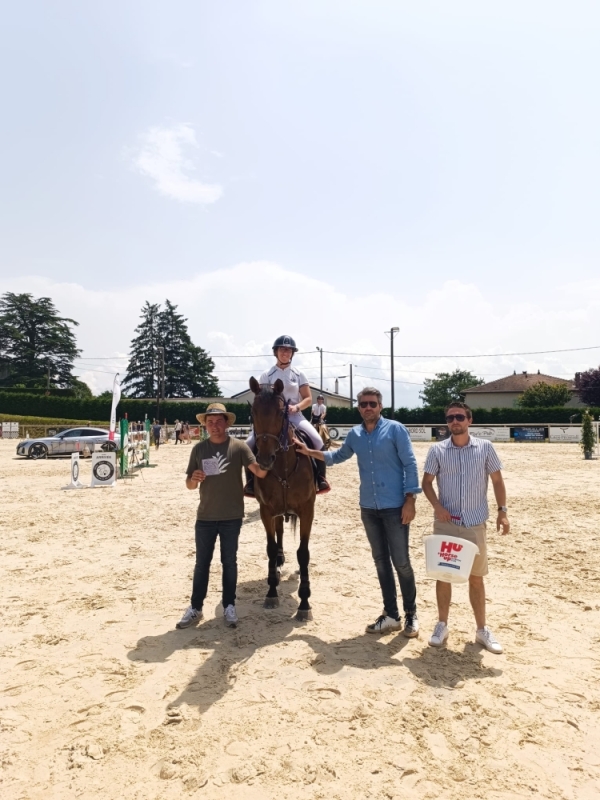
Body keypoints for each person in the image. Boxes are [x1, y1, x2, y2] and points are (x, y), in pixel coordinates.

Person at [294, 386, 421, 636]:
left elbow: (410, 463)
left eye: (372, 403)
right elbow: (337, 456)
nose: (368, 408)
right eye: (363, 404)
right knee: (381, 563)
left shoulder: (395, 429)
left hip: (395, 506)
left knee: (402, 563)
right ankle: (391, 614)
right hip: (369, 508)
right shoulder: (355, 434)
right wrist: (309, 452)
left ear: (380, 406)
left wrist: (410, 500)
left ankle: (411, 614)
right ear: (359, 408)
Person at [421, 401, 510, 654]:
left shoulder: (485, 448)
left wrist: (502, 512)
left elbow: (497, 481)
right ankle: (442, 625)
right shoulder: (437, 450)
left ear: (469, 420)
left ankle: (482, 629)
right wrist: (437, 506)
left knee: (476, 578)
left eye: (459, 417)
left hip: (474, 524)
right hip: (446, 524)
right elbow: (426, 483)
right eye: (450, 418)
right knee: (443, 575)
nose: (455, 422)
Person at [176, 403, 268, 630]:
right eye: (210, 422)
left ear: (227, 423)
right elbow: (189, 484)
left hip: (232, 516)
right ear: (205, 425)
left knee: (229, 562)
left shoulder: (239, 447)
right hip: (205, 517)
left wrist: (275, 456)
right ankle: (195, 607)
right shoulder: (198, 449)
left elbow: (260, 471)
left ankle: (229, 605)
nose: (214, 426)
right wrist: (194, 479)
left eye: (219, 421)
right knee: (202, 564)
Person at [244, 335, 330, 495]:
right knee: (248, 444)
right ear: (276, 352)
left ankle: (321, 478)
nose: (285, 352)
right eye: (282, 349)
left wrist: (296, 407)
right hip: (271, 420)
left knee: (318, 440)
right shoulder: (267, 375)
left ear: (292, 353)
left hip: (294, 416)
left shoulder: (298, 374)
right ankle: (250, 482)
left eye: (289, 350)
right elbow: (261, 399)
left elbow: (308, 398)